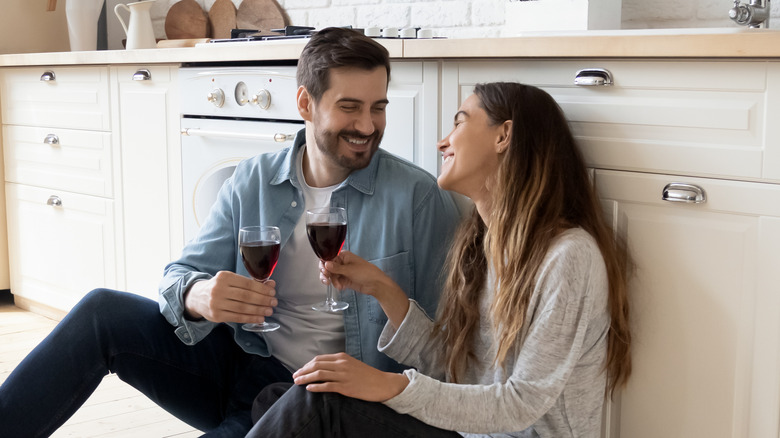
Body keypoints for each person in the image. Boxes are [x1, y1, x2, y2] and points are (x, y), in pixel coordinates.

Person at [0, 27, 461, 437]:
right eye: (349, 107)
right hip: (247, 364)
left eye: (378, 107)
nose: (367, 126)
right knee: (103, 311)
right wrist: (198, 295)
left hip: (327, 398)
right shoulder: (253, 180)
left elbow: (453, 344)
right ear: (304, 103)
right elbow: (179, 275)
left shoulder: (417, 198)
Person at [245, 82, 633, 438]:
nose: (442, 142)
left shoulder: (569, 257)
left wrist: (389, 386)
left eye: (459, 123)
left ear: (504, 136)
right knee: (280, 396)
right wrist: (383, 289)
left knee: (318, 404)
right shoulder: (482, 243)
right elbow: (456, 371)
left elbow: (522, 403)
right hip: (468, 432)